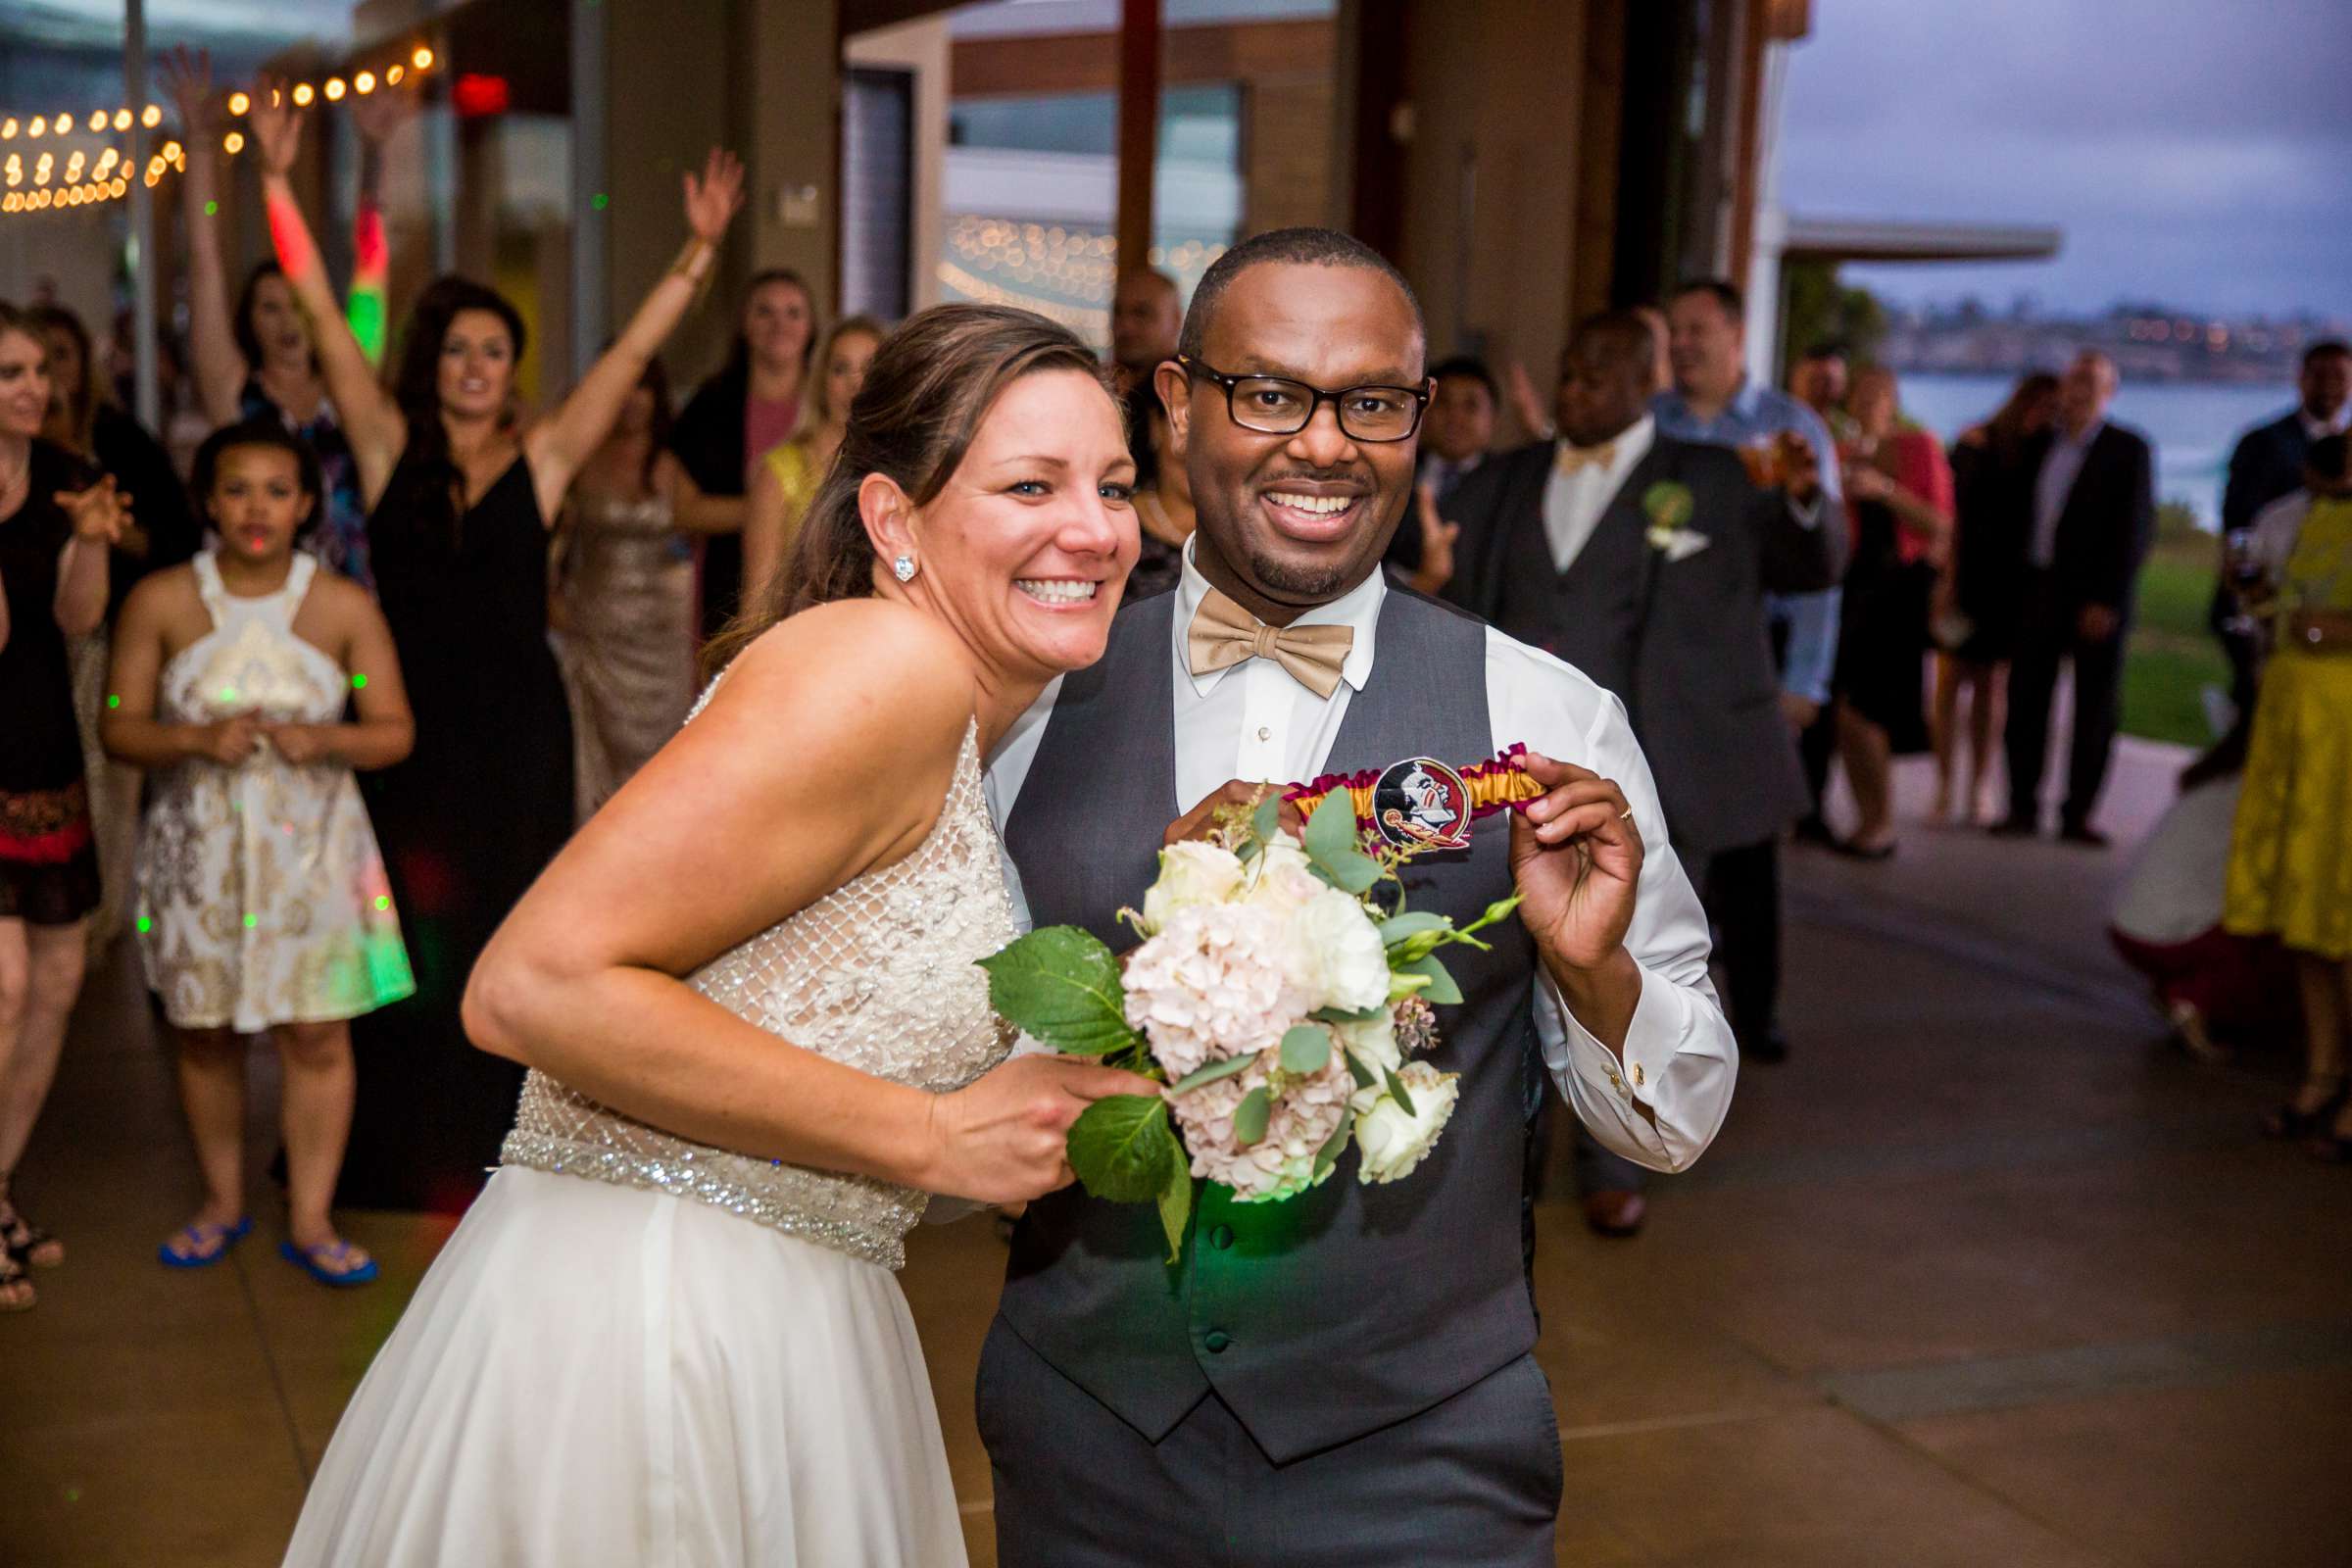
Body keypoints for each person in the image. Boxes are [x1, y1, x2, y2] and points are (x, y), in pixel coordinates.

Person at [282, 303, 1154, 1564]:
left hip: (780, 1306)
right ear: (893, 520)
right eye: (1032, 483)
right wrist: (930, 1133)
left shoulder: (949, 710)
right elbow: (529, 986)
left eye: (1115, 484)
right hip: (665, 1325)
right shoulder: (885, 671)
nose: (1094, 527)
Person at [982, 228, 1735, 1566]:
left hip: (1424, 1464)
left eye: (1370, 402)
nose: (1322, 444)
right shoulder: (1026, 699)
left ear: (1419, 422)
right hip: (1090, 1445)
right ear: (1174, 403)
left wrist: (1594, 974)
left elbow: (1677, 1121)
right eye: (1269, 392)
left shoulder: (1548, 718)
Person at [250, 83, 745, 1210]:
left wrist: (699, 253)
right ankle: (380, 1152)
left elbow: (627, 358)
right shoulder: (383, 447)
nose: (477, 366)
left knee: (504, 926)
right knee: (398, 937)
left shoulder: (549, 458)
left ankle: (499, 1142)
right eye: (461, 349)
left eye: (495, 351)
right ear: (433, 362)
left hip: (518, 724)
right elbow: (325, 317)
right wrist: (279, 181)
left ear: (510, 368)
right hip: (406, 725)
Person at [1444, 311, 1836, 1235]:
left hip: (1672, 766)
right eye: (1567, 373)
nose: (1575, 390)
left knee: (1634, 954)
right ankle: (1512, 1158)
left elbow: (1809, 562)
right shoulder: (1506, 480)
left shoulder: (1714, 478)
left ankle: (1619, 1155)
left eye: (1596, 375)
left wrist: (1808, 499)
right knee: (1506, 954)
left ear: (1643, 380)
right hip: (1517, 776)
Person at [103, 421, 416, 1284]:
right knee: (204, 1032)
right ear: (208, 498)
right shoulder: (161, 601)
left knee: (315, 1031)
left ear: (307, 504)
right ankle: (220, 1202)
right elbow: (119, 724)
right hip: (200, 853)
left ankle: (312, 1217)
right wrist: (195, 738)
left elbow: (393, 729)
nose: (257, 509)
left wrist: (327, 737)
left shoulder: (343, 605)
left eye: (278, 492)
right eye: (237, 489)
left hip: (313, 852)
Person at [1651, 277, 1834, 1066]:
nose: (1684, 345)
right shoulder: (1651, 422)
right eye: (1675, 331)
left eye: (1697, 330)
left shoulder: (1790, 431)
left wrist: (1807, 680)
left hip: (1746, 671)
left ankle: (1756, 1012)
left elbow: (1822, 566)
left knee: (1748, 854)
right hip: (1660, 667)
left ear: (1734, 333)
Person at [0, 302, 133, 1311]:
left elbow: (77, 621)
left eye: (40, 369)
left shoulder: (61, 476)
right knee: (2, 985)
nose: (33, 388)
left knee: (52, 985)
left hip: (44, 748)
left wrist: (86, 538)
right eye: (9, 372)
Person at [164, 44, 401, 593]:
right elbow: (205, 264)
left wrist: (376, 153)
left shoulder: (351, 383)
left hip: (348, 596)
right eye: (270, 307)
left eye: (297, 304)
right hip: (250, 595)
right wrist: (199, 141)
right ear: (250, 320)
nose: (288, 321)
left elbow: (371, 268)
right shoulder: (234, 388)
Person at [30, 302, 203, 952]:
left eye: (57, 361)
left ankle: (92, 932)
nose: (42, 382)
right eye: (21, 368)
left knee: (106, 790)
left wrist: (103, 531)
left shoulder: (119, 442)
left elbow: (177, 542)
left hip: (103, 646)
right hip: (23, 653)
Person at [2224, 433, 2352, 1159]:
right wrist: (2262, 601)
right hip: (2300, 726)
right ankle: (2321, 1072)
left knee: (2345, 912)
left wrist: (2333, 629)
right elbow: (2278, 604)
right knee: (2307, 908)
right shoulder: (2309, 517)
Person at [1995, 350, 2155, 847]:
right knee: (2026, 702)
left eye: (2091, 380)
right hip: (2038, 589)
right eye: (2073, 378)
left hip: (2094, 598)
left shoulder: (2128, 449)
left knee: (2094, 708)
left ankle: (2077, 814)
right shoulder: (2038, 443)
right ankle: (2021, 805)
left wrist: (2106, 600)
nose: (2080, 388)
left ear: (2110, 391)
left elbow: (2134, 530)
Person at [554, 359, 699, 816]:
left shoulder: (669, 464)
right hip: (596, 631)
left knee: (667, 757)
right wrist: (549, 603)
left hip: (661, 639)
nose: (634, 399)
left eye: (645, 388)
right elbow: (548, 539)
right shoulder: (579, 462)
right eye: (625, 387)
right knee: (596, 763)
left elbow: (701, 514)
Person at [1830, 366, 1954, 858]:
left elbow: (1940, 524)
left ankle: (1880, 823)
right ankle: (1866, 819)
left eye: (1879, 393)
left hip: (1899, 594)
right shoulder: (1843, 454)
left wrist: (1884, 490)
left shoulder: (1918, 447)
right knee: (1847, 712)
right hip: (1855, 592)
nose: (1870, 402)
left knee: (1870, 710)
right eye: (1862, 393)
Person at [672, 268, 821, 643]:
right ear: (744, 325)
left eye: (793, 312)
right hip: (727, 586)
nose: (779, 325)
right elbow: (684, 510)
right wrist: (771, 510)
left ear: (811, 327)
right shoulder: (712, 403)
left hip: (817, 595)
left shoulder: (830, 406)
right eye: (765, 312)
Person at [1936, 371, 2057, 825]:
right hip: (1969, 578)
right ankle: (1946, 784)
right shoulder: (1978, 444)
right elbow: (1954, 514)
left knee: (1991, 686)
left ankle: (1979, 784)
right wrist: (1947, 578)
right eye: (2040, 403)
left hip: (2012, 588)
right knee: (1950, 681)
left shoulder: (2045, 452)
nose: (2046, 413)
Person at [2214, 339, 2350, 718]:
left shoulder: (2345, 448)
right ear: (2301, 379)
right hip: (2268, 610)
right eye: (2319, 376)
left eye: (2338, 377)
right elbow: (2238, 526)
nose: (2328, 387)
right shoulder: (2263, 442)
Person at [740, 313, 885, 609]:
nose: (855, 383)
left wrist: (904, 578)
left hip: (887, 639)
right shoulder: (780, 470)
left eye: (869, 368)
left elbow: (911, 570)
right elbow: (756, 599)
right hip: (802, 641)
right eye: (840, 369)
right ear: (821, 380)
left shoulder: (904, 466)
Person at [1383, 354, 1496, 588]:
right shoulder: (1393, 467)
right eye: (1444, 403)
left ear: (1493, 418)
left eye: (1470, 405)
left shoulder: (1507, 483)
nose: (1455, 417)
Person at [1126, 392, 1196, 602]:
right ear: (1155, 425)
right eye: (1188, 421)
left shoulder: (1253, 535)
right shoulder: (1113, 528)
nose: (1196, 449)